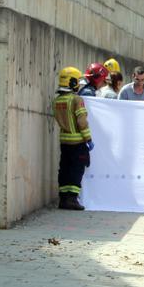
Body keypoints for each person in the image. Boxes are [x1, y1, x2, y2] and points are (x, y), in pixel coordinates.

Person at [51, 66, 93, 210]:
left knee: (64, 168)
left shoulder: (57, 101)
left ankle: (63, 199)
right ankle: (72, 199)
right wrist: (88, 139)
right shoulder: (76, 99)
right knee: (76, 169)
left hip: (64, 141)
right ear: (72, 82)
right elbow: (82, 122)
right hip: (77, 142)